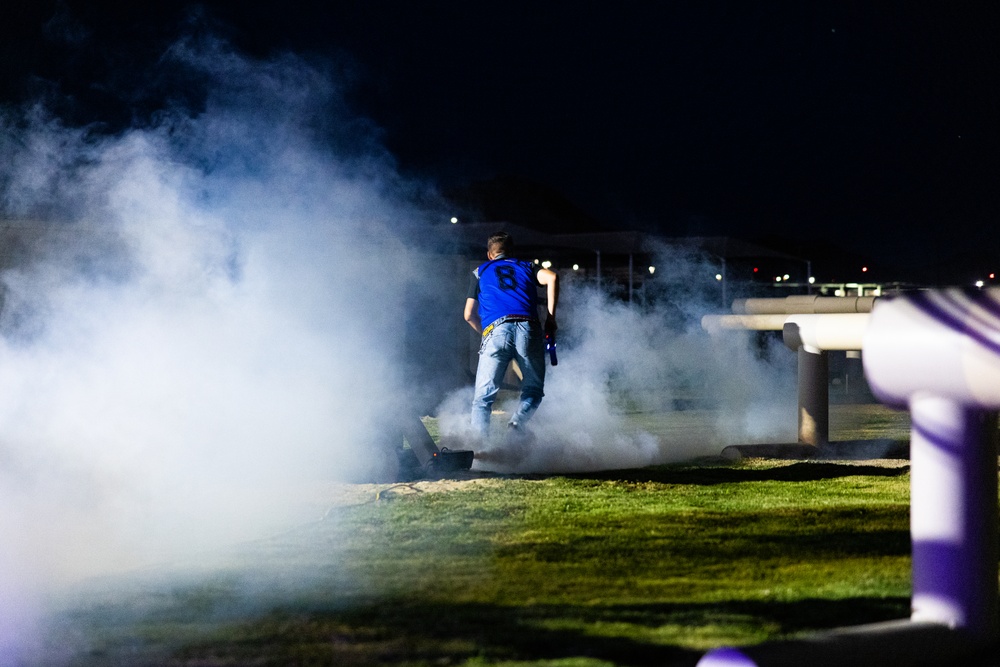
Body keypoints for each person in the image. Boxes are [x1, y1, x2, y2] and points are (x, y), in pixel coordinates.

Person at [464, 231, 558, 440]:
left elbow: (468, 315)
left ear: (490, 254)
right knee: (533, 390)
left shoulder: (479, 272)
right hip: (528, 328)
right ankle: (517, 423)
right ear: (512, 252)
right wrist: (551, 319)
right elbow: (552, 277)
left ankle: (479, 448)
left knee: (482, 399)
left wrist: (486, 335)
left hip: (495, 330)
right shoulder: (526, 266)